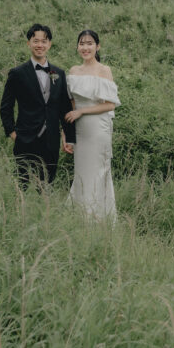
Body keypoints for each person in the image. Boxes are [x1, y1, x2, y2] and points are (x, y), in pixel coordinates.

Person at [0, 24, 76, 187]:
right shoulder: (17, 73)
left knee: (47, 185)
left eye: (44, 41)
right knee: (22, 184)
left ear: (49, 44)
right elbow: (6, 106)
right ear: (29, 43)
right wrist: (12, 133)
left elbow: (64, 107)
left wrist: (69, 138)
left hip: (51, 140)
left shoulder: (58, 73)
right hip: (25, 138)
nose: (40, 45)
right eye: (36, 41)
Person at [65, 29, 120, 221]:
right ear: (77, 46)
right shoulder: (73, 71)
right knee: (81, 172)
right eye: (82, 43)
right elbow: (70, 106)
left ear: (97, 47)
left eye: (89, 43)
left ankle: (97, 218)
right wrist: (67, 136)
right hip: (79, 130)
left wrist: (82, 111)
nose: (85, 47)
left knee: (98, 172)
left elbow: (109, 104)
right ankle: (80, 216)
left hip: (98, 129)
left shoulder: (104, 71)